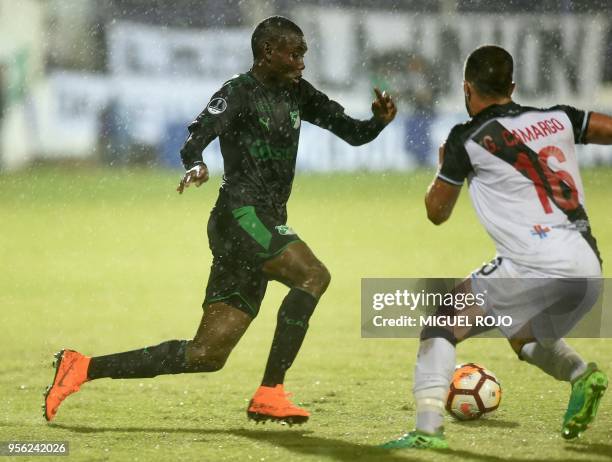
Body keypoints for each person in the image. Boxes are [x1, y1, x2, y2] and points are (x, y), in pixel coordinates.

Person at [43, 16, 396, 424]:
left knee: (206, 354)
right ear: (268, 52)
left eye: (304, 54)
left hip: (256, 224)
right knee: (313, 276)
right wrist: (195, 164)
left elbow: (351, 133)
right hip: (240, 215)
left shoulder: (299, 94)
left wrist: (378, 121)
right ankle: (271, 391)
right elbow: (197, 136)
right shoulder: (238, 92)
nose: (302, 62)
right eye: (295, 53)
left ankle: (81, 367)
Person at [381, 45, 610, 450]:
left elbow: (437, 213)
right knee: (522, 334)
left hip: (534, 264)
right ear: (513, 86)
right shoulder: (558, 117)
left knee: (441, 324)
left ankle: (428, 430)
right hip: (588, 269)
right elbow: (605, 128)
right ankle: (581, 375)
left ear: (467, 88)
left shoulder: (466, 139)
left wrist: (443, 171)